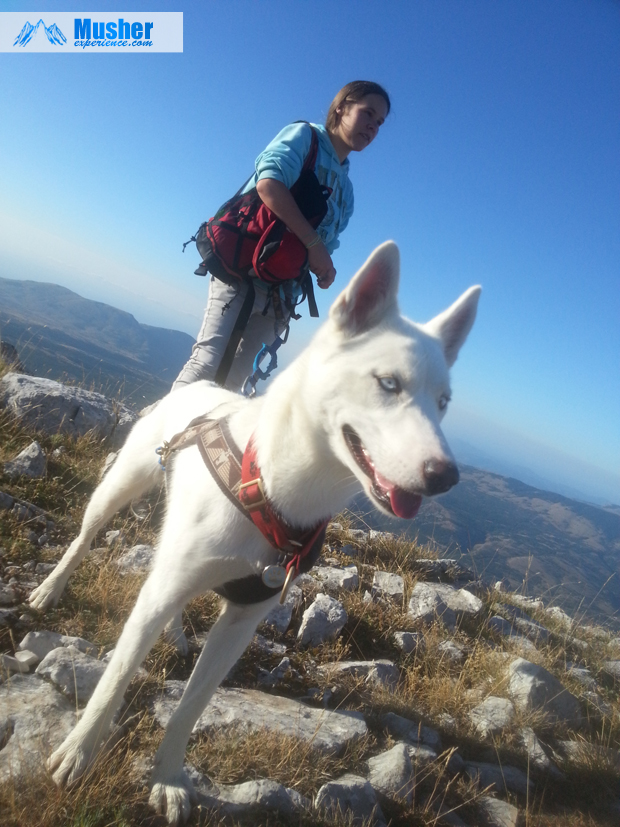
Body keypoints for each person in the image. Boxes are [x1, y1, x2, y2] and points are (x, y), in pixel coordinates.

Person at [172, 80, 391, 393]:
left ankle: (187, 443)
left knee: (235, 380)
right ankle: (159, 443)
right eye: (368, 113)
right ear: (341, 106)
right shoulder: (306, 137)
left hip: (283, 291)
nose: (373, 126)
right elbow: (269, 185)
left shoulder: (348, 191)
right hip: (242, 268)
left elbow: (325, 242)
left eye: (379, 123)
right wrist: (314, 246)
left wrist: (323, 265)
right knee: (207, 363)